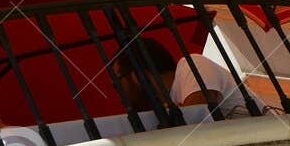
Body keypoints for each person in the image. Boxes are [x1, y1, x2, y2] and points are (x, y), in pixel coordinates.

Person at [112, 38, 266, 120]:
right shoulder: (172, 99)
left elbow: (197, 116)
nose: (118, 93)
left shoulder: (192, 64)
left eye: (117, 81)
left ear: (137, 75)